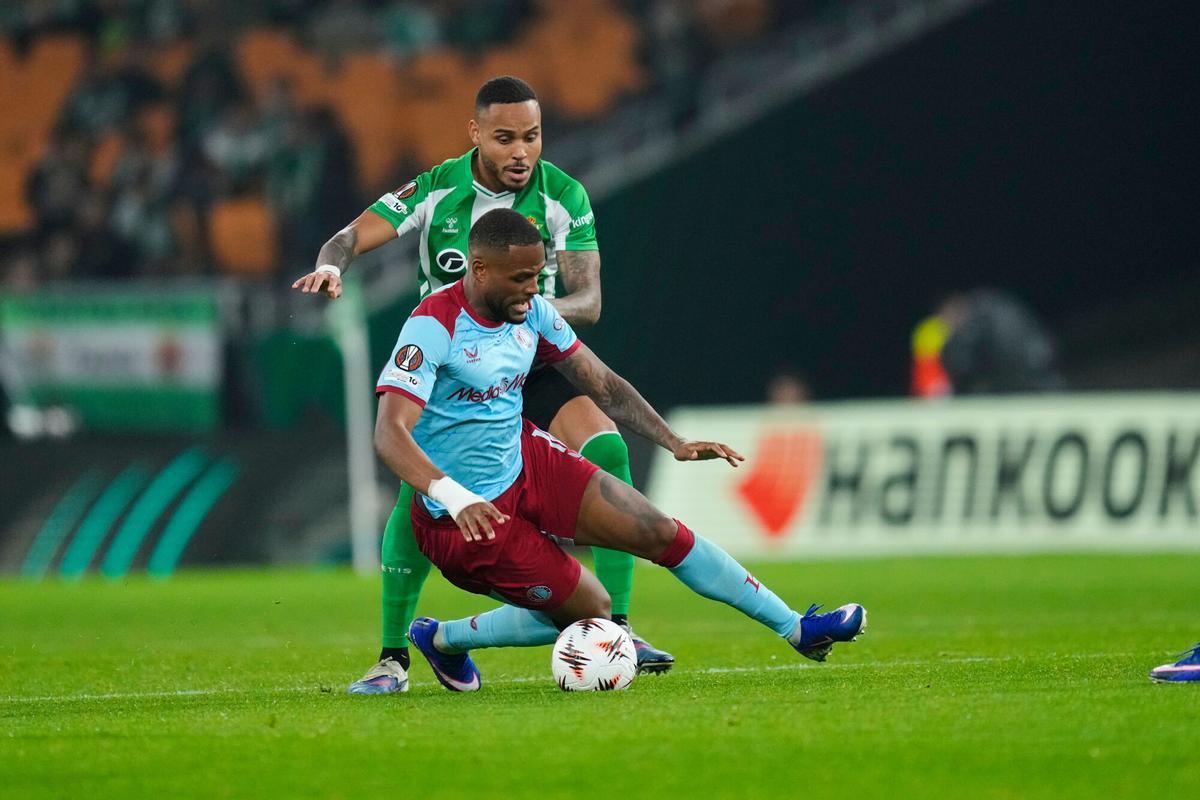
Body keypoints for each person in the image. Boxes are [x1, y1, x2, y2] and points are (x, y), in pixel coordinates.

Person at [374, 208, 866, 692]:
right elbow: (390, 433)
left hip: (526, 461)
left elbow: (603, 384)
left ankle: (799, 630)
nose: (533, 288)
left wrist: (672, 440)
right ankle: (443, 638)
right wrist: (455, 497)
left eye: (538, 274)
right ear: (479, 270)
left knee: (658, 530)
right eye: (521, 277)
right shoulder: (433, 325)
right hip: (461, 520)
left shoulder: (534, 312)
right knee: (595, 609)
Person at [292, 76, 674, 693]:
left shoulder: (564, 196)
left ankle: (619, 627)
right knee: (416, 499)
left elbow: (591, 299)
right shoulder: (438, 188)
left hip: (531, 358)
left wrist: (522, 309)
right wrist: (330, 264)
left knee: (607, 447)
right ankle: (392, 657)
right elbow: (350, 236)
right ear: (475, 135)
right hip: (452, 370)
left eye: (532, 136)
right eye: (505, 138)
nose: (521, 151)